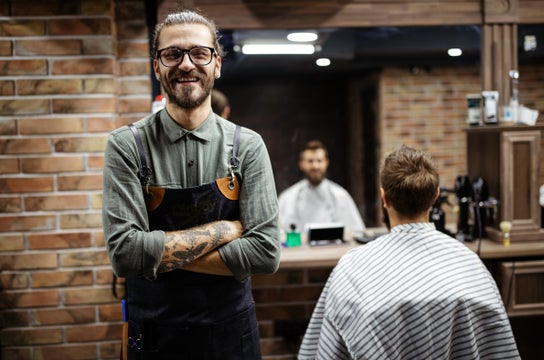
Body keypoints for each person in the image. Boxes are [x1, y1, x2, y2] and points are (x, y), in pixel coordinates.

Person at [102, 9, 280, 359]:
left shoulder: (247, 146)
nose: (186, 64)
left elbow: (265, 252)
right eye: (173, 54)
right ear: (157, 66)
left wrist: (153, 254)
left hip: (232, 336)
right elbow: (124, 254)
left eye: (199, 53)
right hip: (152, 336)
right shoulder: (127, 146)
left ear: (216, 64)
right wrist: (224, 230)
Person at [298, 145, 520, 360]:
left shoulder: (351, 269)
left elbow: (322, 351)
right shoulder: (470, 264)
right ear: (435, 196)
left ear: (384, 198)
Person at [278, 140, 365, 238]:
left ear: (326, 163)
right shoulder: (287, 197)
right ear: (301, 164)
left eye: (319, 161)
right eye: (310, 161)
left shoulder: (341, 195)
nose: (315, 166)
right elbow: (279, 236)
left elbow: (358, 233)